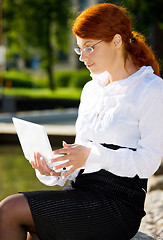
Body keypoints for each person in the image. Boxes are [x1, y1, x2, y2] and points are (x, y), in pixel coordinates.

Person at [0, 3, 163, 240]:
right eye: (79, 50)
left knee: (9, 209)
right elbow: (80, 158)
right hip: (80, 191)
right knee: (34, 228)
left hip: (118, 204)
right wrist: (54, 170)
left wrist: (92, 155)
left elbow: (149, 162)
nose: (83, 57)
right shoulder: (90, 89)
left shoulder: (151, 89)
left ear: (116, 41)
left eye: (89, 48)